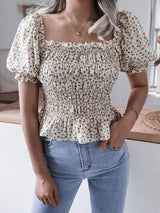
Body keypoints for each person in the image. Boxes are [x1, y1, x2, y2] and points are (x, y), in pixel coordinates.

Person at [6, 0, 158, 212]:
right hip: (55, 159)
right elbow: (28, 111)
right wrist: (40, 173)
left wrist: (127, 121)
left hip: (111, 157)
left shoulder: (121, 25)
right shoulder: (34, 27)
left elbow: (141, 85)